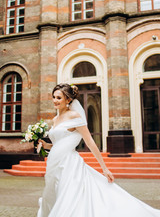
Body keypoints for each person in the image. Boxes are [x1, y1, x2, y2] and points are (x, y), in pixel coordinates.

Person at [37, 83, 160, 217]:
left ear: (68, 100)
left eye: (59, 98)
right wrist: (45, 145)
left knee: (69, 197)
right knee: (58, 194)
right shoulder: (55, 119)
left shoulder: (75, 116)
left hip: (69, 165)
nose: (55, 100)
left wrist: (104, 168)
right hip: (54, 165)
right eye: (53, 97)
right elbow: (59, 144)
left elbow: (90, 142)